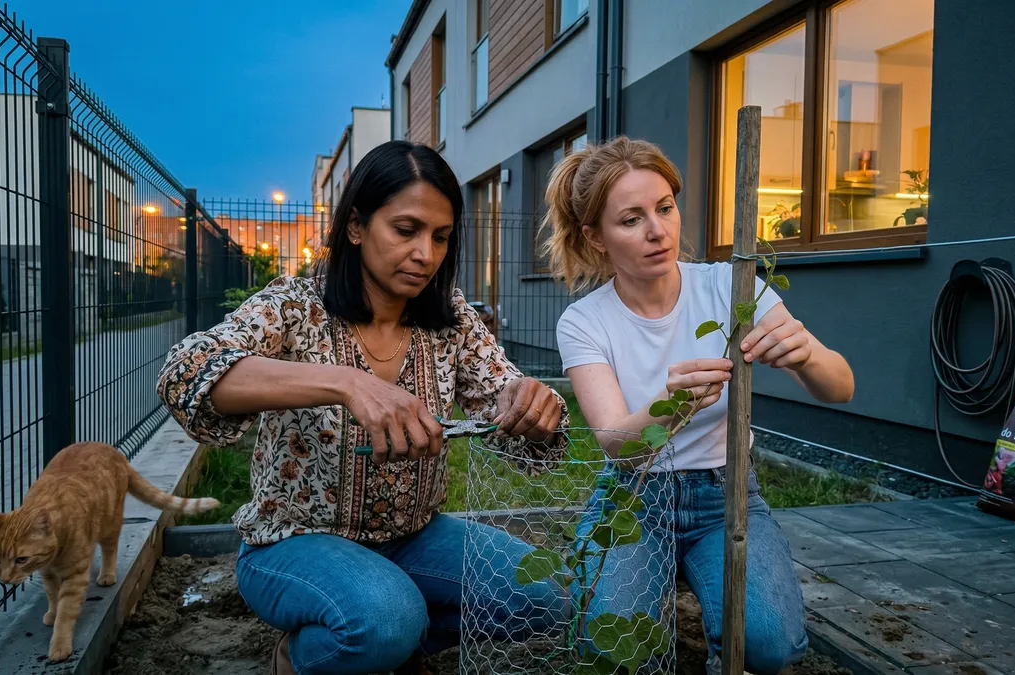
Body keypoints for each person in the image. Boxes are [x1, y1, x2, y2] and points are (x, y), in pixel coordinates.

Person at [156, 140, 572, 675]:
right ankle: (300, 657)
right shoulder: (295, 306)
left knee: (551, 594)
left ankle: (393, 647)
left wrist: (534, 402)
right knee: (383, 617)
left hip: (415, 538)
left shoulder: (451, 322)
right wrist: (343, 382)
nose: (426, 253)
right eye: (406, 230)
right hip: (292, 544)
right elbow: (186, 371)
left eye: (441, 237)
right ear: (356, 225)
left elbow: (504, 392)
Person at [545, 136, 855, 674]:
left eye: (665, 208)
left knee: (766, 644)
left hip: (726, 496)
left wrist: (807, 355)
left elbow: (841, 387)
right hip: (635, 502)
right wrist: (670, 404)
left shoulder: (730, 287)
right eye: (631, 219)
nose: (657, 231)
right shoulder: (586, 321)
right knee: (613, 648)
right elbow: (619, 445)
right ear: (596, 238)